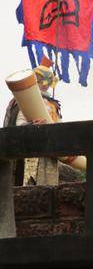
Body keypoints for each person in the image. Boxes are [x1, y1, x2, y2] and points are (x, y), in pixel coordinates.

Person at [3, 57, 62, 186]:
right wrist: (32, 126)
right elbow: (16, 124)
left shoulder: (53, 105)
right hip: (25, 153)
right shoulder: (20, 100)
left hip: (46, 154)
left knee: (46, 191)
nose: (44, 85)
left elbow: (59, 125)